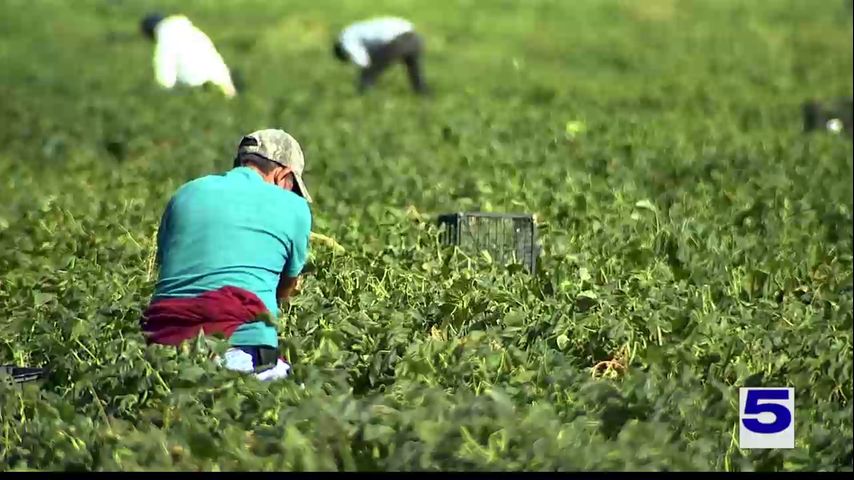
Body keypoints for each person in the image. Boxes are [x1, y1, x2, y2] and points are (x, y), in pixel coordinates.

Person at [140, 129, 313, 381]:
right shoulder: (295, 207)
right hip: (238, 349)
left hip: (161, 348)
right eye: (292, 187)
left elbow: (166, 261)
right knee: (304, 396)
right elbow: (285, 289)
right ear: (283, 175)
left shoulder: (185, 193)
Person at [140, 13, 237, 98]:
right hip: (222, 84)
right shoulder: (192, 31)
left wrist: (164, 92)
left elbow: (165, 69)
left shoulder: (165, 38)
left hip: (198, 88)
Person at [332, 16, 429, 95]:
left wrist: (367, 67)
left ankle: (364, 97)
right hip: (415, 37)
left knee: (367, 74)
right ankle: (423, 93)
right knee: (414, 70)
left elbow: (361, 58)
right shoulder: (356, 29)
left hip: (398, 40)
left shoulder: (346, 39)